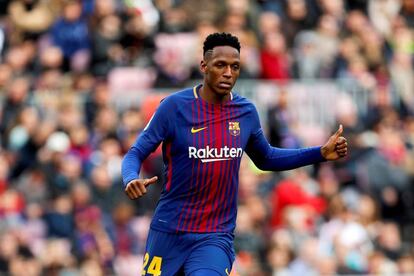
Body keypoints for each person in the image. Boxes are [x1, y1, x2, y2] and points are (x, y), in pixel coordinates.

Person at [121, 32, 348, 276]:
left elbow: (266, 158)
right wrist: (130, 177)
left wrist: (320, 153)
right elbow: (136, 152)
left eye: (235, 66)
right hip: (169, 231)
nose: (228, 72)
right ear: (204, 66)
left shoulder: (245, 112)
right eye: (221, 65)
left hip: (214, 236)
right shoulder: (173, 107)